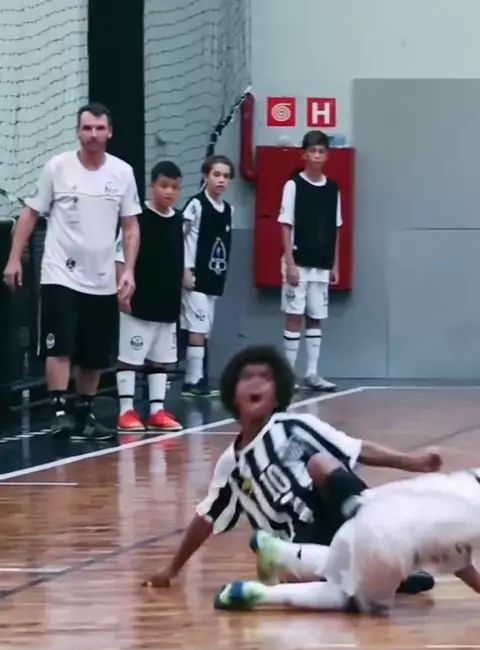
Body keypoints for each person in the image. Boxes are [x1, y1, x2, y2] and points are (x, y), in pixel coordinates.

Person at [144, 345, 441, 589]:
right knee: (262, 547)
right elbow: (206, 518)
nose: (256, 382)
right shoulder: (232, 465)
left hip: (333, 523)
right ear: (233, 394)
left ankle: (377, 549)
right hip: (297, 548)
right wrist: (171, 569)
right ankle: (366, 575)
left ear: (278, 394)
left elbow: (356, 449)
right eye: (247, 377)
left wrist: (413, 462)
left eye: (265, 377)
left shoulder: (296, 426)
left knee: (322, 463)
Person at [3, 102, 141, 440]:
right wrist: (14, 258)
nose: (93, 135)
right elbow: (30, 214)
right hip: (60, 274)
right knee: (59, 345)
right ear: (78, 131)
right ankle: (58, 412)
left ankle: (84, 413)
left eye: (99, 128)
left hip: (102, 279)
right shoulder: (57, 167)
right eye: (87, 128)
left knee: (94, 354)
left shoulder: (122, 173)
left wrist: (128, 270)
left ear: (110, 132)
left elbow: (131, 226)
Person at [214, 468, 480, 616]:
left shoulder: (467, 479)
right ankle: (260, 595)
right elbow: (461, 563)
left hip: (369, 510)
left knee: (341, 565)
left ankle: (282, 552)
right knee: (347, 596)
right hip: (390, 547)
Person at [115, 161, 184, 433]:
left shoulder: (178, 220)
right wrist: (122, 291)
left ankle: (156, 410)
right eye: (164, 185)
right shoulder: (137, 218)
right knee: (130, 357)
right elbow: (120, 256)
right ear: (152, 185)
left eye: (174, 187)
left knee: (160, 358)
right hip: (139, 299)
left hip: (166, 300)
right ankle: (126, 410)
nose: (169, 192)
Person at [279, 130, 341, 392]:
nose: (317, 155)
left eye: (321, 151)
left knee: (316, 317)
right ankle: (288, 375)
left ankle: (312, 373)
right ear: (304, 154)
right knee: (294, 316)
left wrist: (335, 264)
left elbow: (336, 227)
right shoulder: (293, 185)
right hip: (299, 261)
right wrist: (290, 262)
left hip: (321, 263)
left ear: (327, 155)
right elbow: (285, 224)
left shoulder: (333, 189)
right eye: (312, 151)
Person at [181, 154, 235, 397]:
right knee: (198, 327)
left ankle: (198, 377)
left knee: (205, 329)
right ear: (206, 176)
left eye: (226, 176)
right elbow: (180, 237)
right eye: (216, 175)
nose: (221, 180)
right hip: (195, 278)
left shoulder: (228, 210)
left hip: (214, 277)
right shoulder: (196, 205)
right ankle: (192, 381)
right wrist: (184, 269)